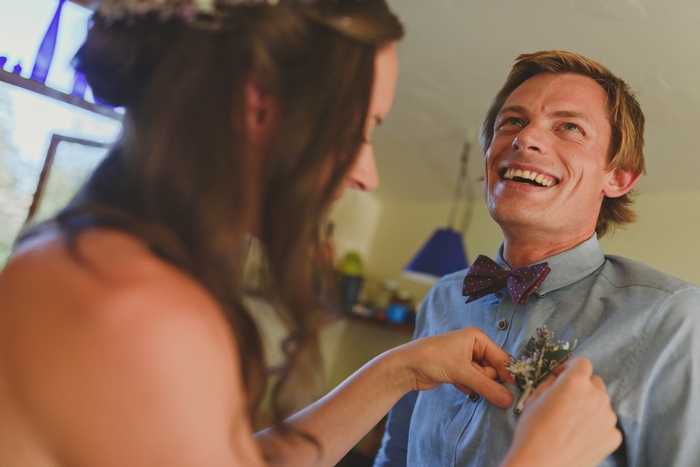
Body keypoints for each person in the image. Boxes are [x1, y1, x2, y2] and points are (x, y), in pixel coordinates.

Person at [0, 2, 620, 466]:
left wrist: (401, 369)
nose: (369, 171)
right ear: (260, 101)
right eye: (362, 127)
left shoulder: (85, 262)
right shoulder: (137, 313)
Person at [375, 50, 700, 467]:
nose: (524, 138)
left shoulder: (675, 320)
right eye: (512, 121)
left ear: (618, 176)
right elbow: (395, 456)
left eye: (569, 126)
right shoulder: (442, 298)